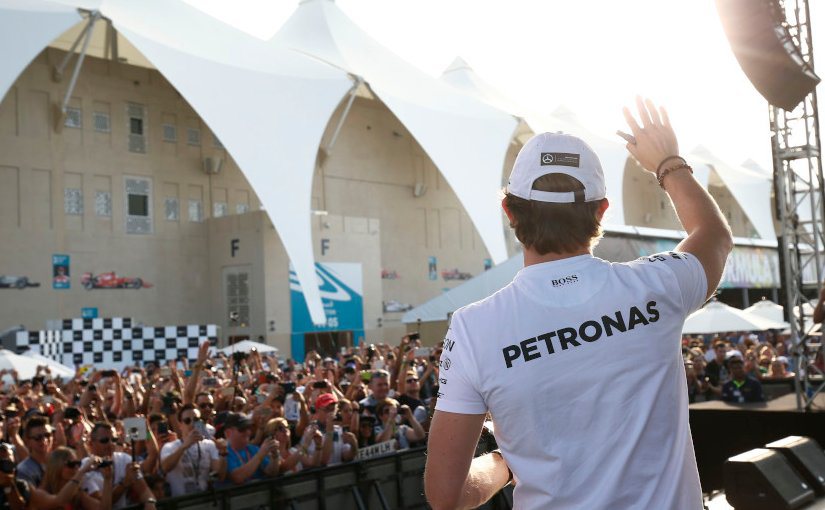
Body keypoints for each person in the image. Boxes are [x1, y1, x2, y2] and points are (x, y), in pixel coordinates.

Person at [424, 98, 733, 509]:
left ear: (509, 212)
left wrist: (505, 464)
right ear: (601, 211)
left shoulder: (474, 329)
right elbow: (713, 235)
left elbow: (446, 496)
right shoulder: (657, 286)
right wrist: (669, 164)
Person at [81, 422, 157, 509]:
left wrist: (150, 502)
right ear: (91, 444)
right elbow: (104, 505)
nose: (110, 444)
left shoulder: (125, 459)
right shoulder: (85, 467)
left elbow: (144, 491)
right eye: (104, 440)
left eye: (114, 440)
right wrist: (124, 483)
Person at [160, 404, 227, 496]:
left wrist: (223, 453)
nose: (192, 424)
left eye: (196, 420)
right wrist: (184, 446)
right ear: (180, 425)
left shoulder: (209, 445)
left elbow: (220, 475)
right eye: (187, 421)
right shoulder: (170, 446)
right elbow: (165, 468)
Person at [224, 413, 279, 484]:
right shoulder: (224, 453)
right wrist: (260, 455)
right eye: (242, 429)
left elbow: (271, 473)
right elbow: (237, 478)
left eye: (249, 428)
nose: (248, 432)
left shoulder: (253, 449)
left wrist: (275, 456)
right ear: (228, 433)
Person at [16, 416, 53, 487]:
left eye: (47, 435)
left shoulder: (58, 462)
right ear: (28, 441)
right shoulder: (23, 470)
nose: (44, 440)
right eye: (38, 437)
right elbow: (33, 497)